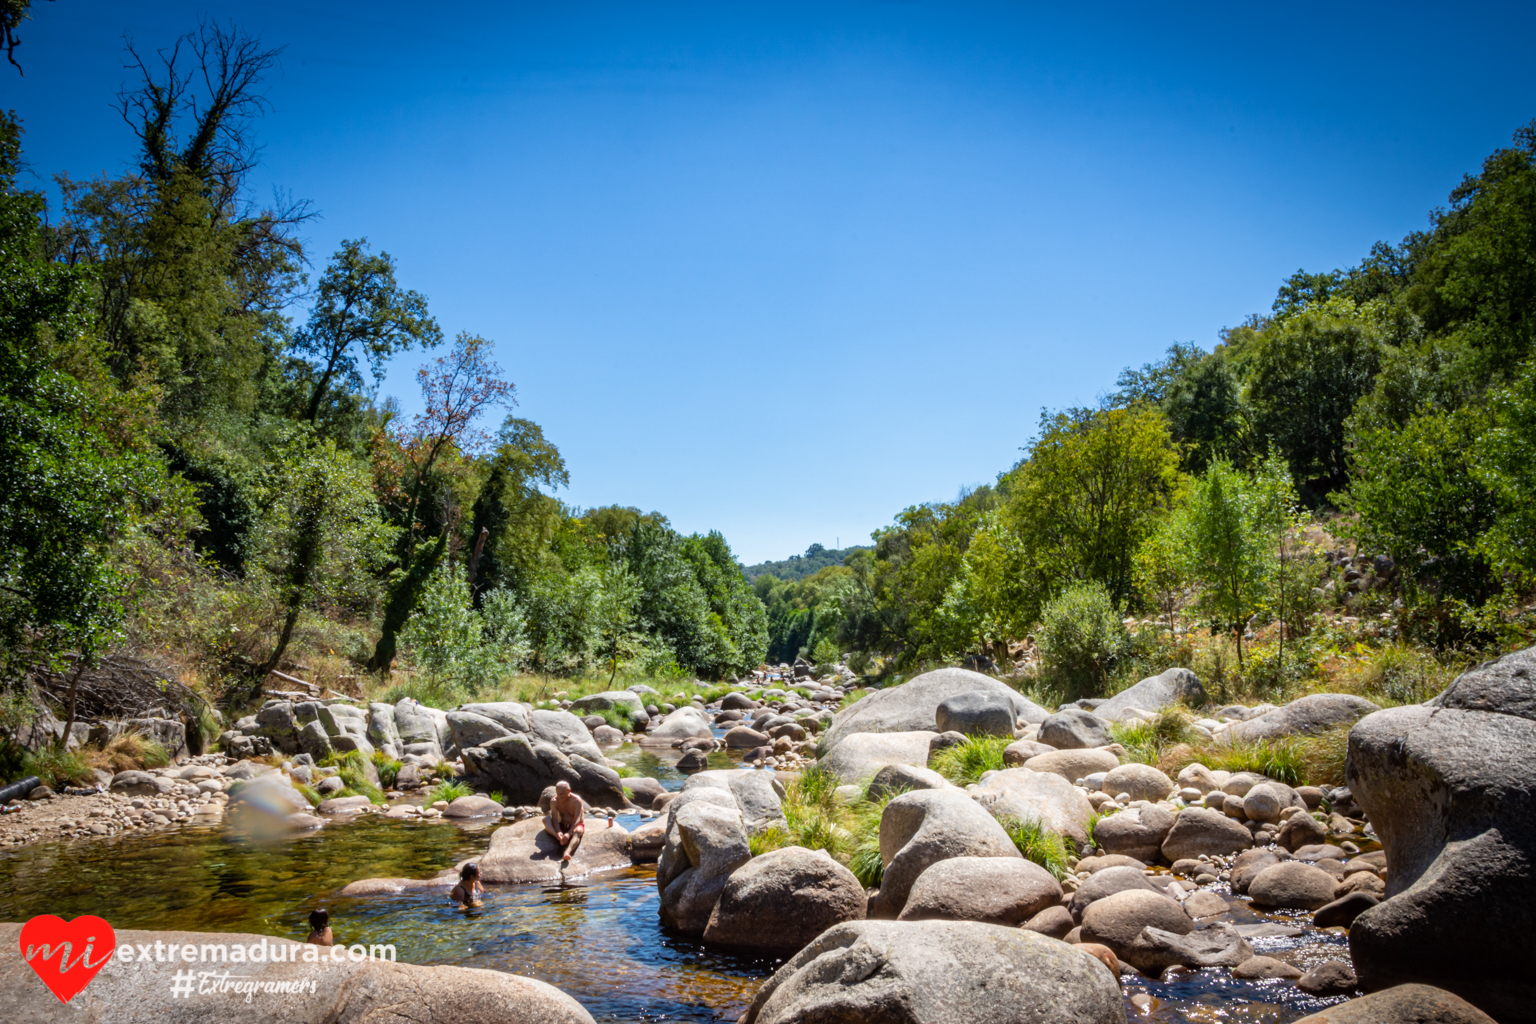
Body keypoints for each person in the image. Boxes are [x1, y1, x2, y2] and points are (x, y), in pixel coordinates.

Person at [542, 780, 585, 866]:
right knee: (545, 819)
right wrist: (558, 832)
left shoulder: (576, 800)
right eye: (558, 794)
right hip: (561, 825)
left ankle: (567, 852)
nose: (559, 796)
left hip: (574, 825)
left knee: (578, 831)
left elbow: (577, 819)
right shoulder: (554, 801)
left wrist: (569, 833)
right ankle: (558, 838)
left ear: (568, 791)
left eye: (562, 794)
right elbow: (554, 818)